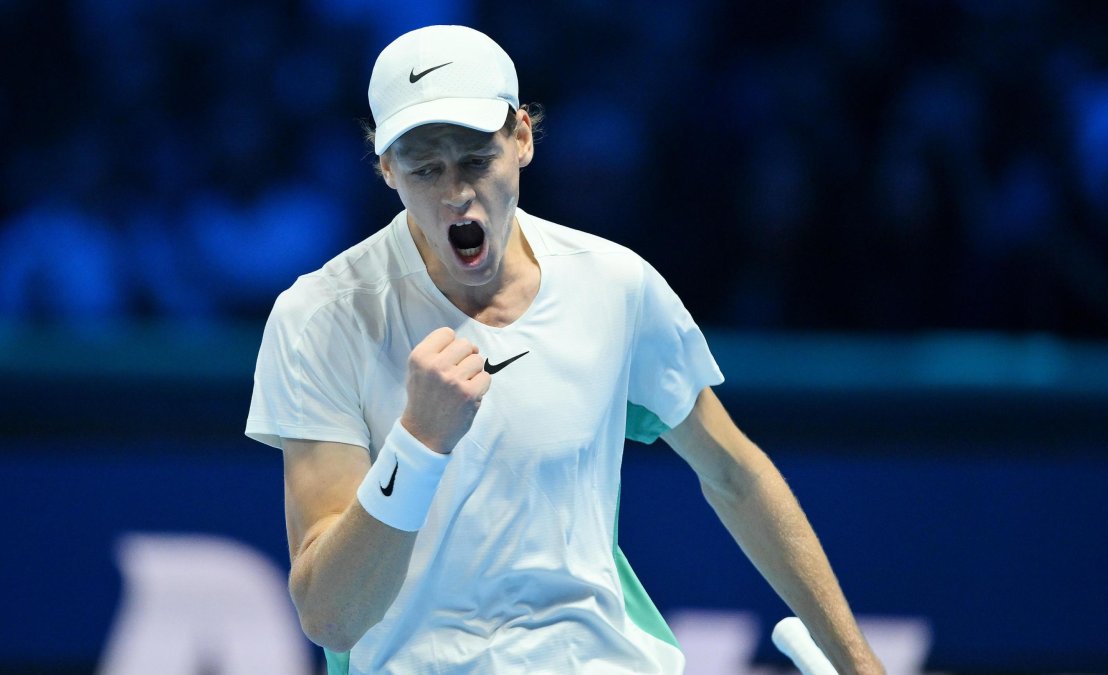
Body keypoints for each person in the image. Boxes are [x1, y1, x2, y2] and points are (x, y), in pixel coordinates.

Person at [247, 24, 881, 675]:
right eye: (425, 169)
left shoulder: (614, 285)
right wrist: (419, 443)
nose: (455, 193)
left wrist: (860, 663)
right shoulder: (321, 318)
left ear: (522, 137)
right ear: (386, 168)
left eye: (476, 161)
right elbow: (332, 617)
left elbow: (736, 474)